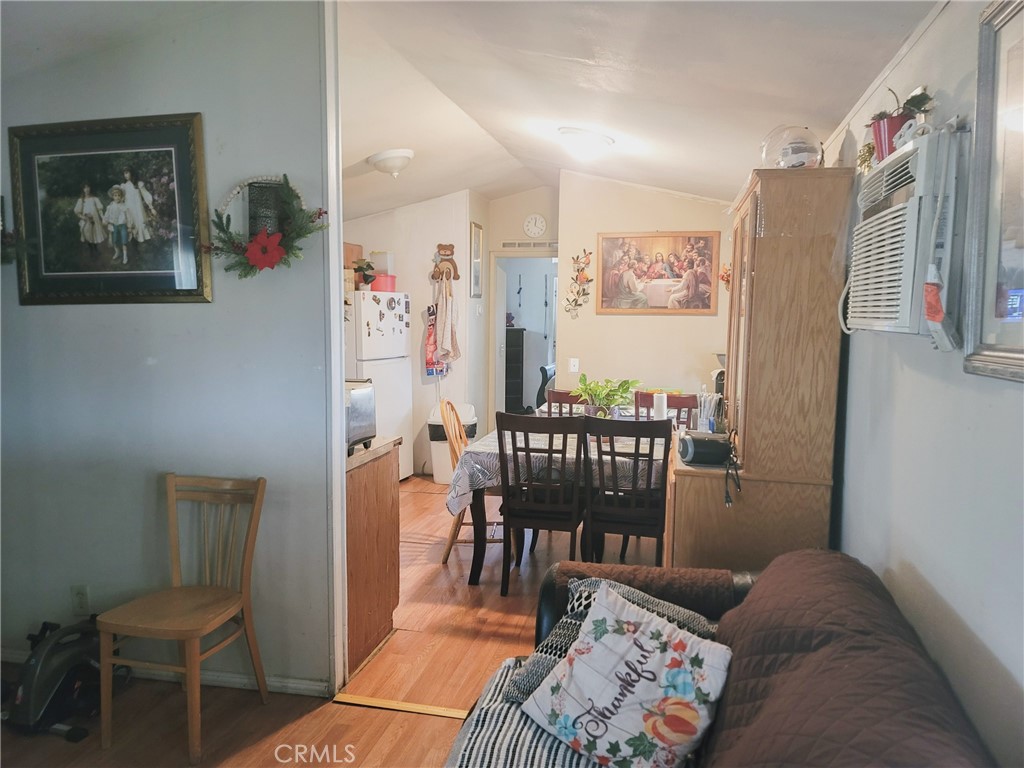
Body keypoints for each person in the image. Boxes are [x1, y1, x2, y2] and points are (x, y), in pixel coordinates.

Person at [103, 186, 135, 264]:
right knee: (115, 240)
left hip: (122, 225)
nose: (117, 197)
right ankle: (117, 251)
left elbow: (128, 216)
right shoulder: (110, 206)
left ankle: (125, 256)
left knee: (124, 241)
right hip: (114, 226)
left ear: (121, 196)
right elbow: (107, 215)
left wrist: (129, 226)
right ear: (113, 197)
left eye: (118, 196)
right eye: (115, 196)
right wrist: (105, 221)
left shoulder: (124, 206)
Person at [119, 168, 152, 244]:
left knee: (142, 225)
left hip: (139, 209)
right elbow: (121, 199)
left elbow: (145, 195)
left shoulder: (138, 184)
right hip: (130, 211)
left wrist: (151, 207)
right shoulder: (124, 186)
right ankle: (135, 249)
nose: (126, 175)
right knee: (132, 227)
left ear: (131, 172)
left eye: (127, 173)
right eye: (124, 173)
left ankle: (147, 246)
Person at [74, 183, 106, 254]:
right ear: (83, 189)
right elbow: (77, 212)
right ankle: (91, 249)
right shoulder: (81, 200)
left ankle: (95, 248)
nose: (87, 189)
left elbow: (100, 209)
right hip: (86, 220)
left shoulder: (94, 199)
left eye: (88, 187)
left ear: (90, 188)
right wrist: (84, 217)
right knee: (87, 234)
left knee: (94, 233)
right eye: (85, 188)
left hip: (95, 219)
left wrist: (103, 218)